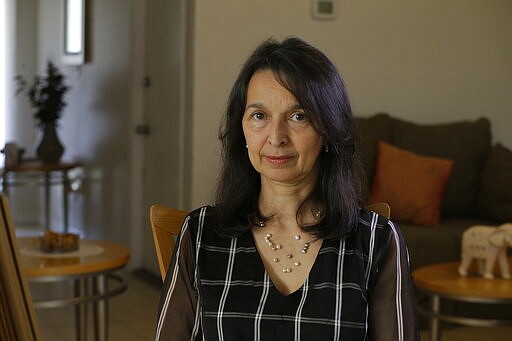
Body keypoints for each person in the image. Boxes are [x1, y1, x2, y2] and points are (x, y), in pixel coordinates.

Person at [155, 37, 418, 340]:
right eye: (259, 116)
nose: (276, 137)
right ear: (242, 129)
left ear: (329, 131)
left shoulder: (377, 241)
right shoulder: (200, 233)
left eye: (298, 116)